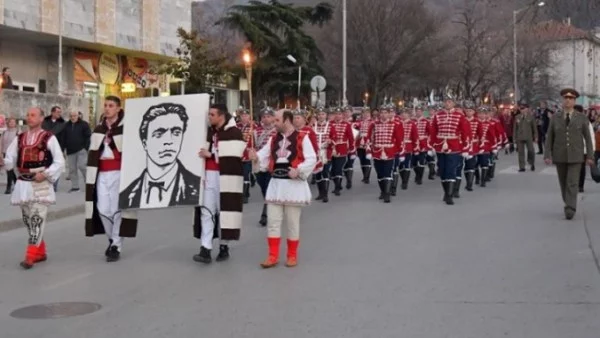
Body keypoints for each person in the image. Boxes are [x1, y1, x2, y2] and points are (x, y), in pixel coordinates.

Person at [251, 109, 317, 268]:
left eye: (276, 121)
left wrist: (299, 170)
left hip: (293, 186)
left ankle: (292, 255)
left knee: (293, 223)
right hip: (276, 185)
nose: (273, 124)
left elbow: (312, 158)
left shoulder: (303, 137)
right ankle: (273, 256)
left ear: (287, 120)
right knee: (273, 222)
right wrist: (255, 157)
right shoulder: (273, 139)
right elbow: (263, 155)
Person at [0, 107, 65, 269]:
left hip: (40, 182)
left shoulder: (49, 138)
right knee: (28, 220)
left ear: (42, 118)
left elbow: (59, 161)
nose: (30, 118)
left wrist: (46, 174)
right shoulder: (20, 138)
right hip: (23, 183)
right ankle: (40, 251)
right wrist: (3, 162)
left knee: (37, 218)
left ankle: (30, 255)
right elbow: (10, 159)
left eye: (33, 115)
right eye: (28, 115)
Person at [85, 96, 138, 262]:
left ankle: (116, 245)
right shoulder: (99, 128)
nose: (107, 108)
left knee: (117, 209)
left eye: (111, 106)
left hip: (119, 173)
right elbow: (93, 152)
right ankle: (112, 238)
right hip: (101, 173)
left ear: (118, 108)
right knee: (102, 209)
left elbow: (132, 151)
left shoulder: (126, 128)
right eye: (105, 105)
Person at [119, 103, 200, 209]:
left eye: (176, 133)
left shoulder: (196, 187)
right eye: (159, 134)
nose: (168, 141)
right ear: (145, 143)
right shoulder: (126, 194)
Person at [193, 104, 245, 264]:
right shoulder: (209, 132)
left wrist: (211, 154)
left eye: (212, 115)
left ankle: (224, 246)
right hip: (208, 175)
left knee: (225, 212)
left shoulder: (234, 132)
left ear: (221, 116)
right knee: (206, 211)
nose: (209, 117)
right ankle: (205, 248)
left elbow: (235, 155)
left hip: (226, 176)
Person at [544, 89, 594, 220]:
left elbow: (588, 138)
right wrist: (547, 155)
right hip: (560, 155)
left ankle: (570, 207)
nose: (568, 100)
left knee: (572, 182)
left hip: (576, 156)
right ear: (562, 100)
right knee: (563, 182)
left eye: (571, 98)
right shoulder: (555, 118)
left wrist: (590, 155)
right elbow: (550, 137)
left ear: (574, 101)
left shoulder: (582, 118)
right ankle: (568, 201)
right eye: (565, 98)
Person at [430, 96, 470, 205]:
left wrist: (466, 147)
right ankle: (446, 191)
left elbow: (466, 133)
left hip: (454, 146)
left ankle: (449, 195)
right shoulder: (438, 116)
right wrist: (432, 146)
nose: (447, 103)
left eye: (450, 101)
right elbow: (433, 132)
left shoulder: (459, 116)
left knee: (451, 170)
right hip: (440, 145)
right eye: (446, 102)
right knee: (442, 170)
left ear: (453, 103)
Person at [367, 104, 403, 203]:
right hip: (377, 152)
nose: (383, 115)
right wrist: (369, 150)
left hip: (389, 152)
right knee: (380, 174)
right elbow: (369, 139)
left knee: (387, 172)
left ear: (389, 114)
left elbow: (399, 139)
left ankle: (387, 194)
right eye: (381, 113)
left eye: (385, 113)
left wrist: (400, 152)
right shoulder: (373, 124)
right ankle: (383, 191)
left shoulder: (395, 124)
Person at [254, 107, 277, 226]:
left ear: (273, 117)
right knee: (263, 187)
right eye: (264, 116)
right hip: (259, 162)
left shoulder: (277, 131)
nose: (266, 119)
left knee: (269, 188)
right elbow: (252, 145)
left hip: (271, 162)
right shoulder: (256, 131)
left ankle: (265, 214)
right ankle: (270, 204)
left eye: (268, 116)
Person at [328, 107, 354, 196]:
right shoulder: (330, 124)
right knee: (333, 170)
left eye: (339, 114)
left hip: (342, 148)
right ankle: (337, 184)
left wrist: (351, 148)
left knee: (338, 168)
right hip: (331, 148)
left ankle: (337, 187)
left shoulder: (346, 125)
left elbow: (350, 137)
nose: (337, 116)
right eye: (336, 114)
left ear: (342, 115)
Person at [63, 111, 91, 192]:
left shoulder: (84, 124)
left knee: (82, 166)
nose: (73, 117)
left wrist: (86, 148)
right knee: (72, 169)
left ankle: (89, 184)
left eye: (74, 116)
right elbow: (63, 138)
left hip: (81, 150)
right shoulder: (66, 125)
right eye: (71, 116)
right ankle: (75, 187)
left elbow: (88, 136)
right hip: (70, 151)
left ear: (78, 115)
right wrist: (63, 148)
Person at [42, 106, 66, 191]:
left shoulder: (62, 123)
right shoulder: (44, 122)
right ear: (52, 112)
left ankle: (54, 185)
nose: (59, 113)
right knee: (47, 165)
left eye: (60, 112)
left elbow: (63, 138)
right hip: (46, 147)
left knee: (57, 165)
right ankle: (47, 183)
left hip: (57, 147)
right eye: (57, 112)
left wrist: (62, 149)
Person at [574, 105, 595, 192]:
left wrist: (591, 153)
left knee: (581, 168)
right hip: (573, 148)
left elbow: (591, 137)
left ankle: (580, 185)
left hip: (583, 149)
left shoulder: (586, 122)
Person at [313, 107, 332, 203]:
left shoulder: (330, 126)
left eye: (323, 114)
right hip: (315, 153)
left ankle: (325, 194)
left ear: (326, 115)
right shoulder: (312, 125)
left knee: (325, 172)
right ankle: (320, 193)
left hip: (325, 152)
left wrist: (330, 140)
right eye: (319, 114)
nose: (321, 116)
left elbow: (335, 137)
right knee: (317, 173)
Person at [236, 107, 254, 204]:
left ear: (249, 116)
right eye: (242, 116)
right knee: (238, 174)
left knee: (245, 174)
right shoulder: (236, 126)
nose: (244, 117)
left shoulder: (253, 126)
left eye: (246, 115)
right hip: (238, 153)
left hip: (247, 153)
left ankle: (245, 194)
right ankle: (239, 192)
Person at [513, 103, 538, 172]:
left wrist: (536, 136)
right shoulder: (517, 117)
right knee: (521, 152)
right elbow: (515, 128)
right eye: (521, 109)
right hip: (520, 137)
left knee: (531, 151)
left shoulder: (531, 117)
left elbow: (534, 128)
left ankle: (531, 162)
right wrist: (514, 138)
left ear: (527, 109)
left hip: (528, 136)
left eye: (523, 108)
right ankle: (522, 167)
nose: (522, 110)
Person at [463, 105, 482, 192]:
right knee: (463, 165)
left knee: (470, 164)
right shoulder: (462, 120)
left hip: (473, 145)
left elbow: (481, 134)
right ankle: (468, 181)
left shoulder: (477, 121)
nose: (468, 112)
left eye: (470, 111)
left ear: (473, 112)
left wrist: (480, 145)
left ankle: (469, 184)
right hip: (463, 145)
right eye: (467, 111)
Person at [399, 108, 419, 190]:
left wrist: (416, 148)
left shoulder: (412, 124)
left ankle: (405, 182)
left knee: (407, 164)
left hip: (408, 146)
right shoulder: (398, 123)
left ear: (408, 115)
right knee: (400, 165)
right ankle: (403, 178)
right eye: (402, 113)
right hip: (399, 147)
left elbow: (415, 137)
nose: (404, 115)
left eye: (405, 113)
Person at [412, 106, 432, 185]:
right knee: (413, 162)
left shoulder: (426, 121)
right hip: (414, 143)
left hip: (423, 143)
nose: (418, 112)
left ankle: (419, 178)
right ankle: (417, 173)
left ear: (422, 112)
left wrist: (428, 142)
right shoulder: (412, 120)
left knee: (421, 161)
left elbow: (430, 132)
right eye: (417, 111)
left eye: (420, 111)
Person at [1, 117, 20, 194]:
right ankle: (15, 185)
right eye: (10, 122)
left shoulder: (18, 132)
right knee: (9, 170)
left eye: (13, 122)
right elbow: (1, 143)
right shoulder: (4, 132)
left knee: (12, 170)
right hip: (6, 153)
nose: (12, 123)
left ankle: (9, 187)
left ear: (15, 123)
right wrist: (1, 153)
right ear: (8, 123)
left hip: (14, 154)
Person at [356, 107, 373, 184]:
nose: (365, 114)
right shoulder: (358, 122)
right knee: (361, 159)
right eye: (364, 113)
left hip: (368, 142)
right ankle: (364, 175)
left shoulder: (372, 122)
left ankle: (367, 177)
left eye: (367, 113)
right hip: (360, 142)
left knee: (367, 159)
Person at [342, 106, 358, 189]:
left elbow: (360, 134)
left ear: (351, 113)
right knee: (344, 163)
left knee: (350, 162)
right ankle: (347, 175)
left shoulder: (355, 122)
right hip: (343, 146)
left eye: (348, 112)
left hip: (352, 145)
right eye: (345, 112)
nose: (346, 113)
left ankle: (349, 180)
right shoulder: (340, 122)